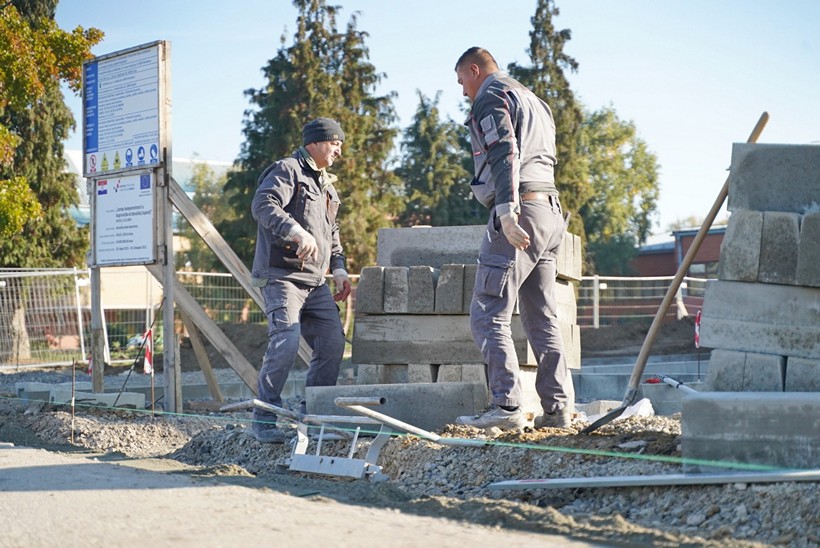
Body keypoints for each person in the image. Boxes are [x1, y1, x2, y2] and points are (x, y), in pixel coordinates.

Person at [453, 47, 575, 430]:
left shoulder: (492, 95)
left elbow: (505, 149)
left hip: (520, 209)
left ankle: (505, 407)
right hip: (550, 211)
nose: (463, 93)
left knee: (489, 310)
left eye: (462, 82)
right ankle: (558, 410)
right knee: (542, 317)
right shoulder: (534, 100)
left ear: (476, 70)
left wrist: (506, 212)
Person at [249, 117, 352, 443]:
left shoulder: (327, 187)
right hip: (282, 277)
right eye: (335, 143)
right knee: (287, 341)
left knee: (334, 343)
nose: (339, 150)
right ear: (317, 142)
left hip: (316, 282)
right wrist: (293, 230)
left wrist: (339, 268)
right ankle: (264, 418)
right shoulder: (287, 170)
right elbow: (263, 204)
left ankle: (315, 417)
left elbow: (331, 234)